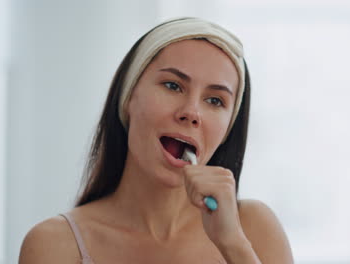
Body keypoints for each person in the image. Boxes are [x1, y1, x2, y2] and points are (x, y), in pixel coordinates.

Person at [19, 17, 294, 264]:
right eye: (173, 85)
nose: (191, 112)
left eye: (215, 100)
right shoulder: (55, 244)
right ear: (128, 98)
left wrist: (233, 245)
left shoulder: (255, 229)